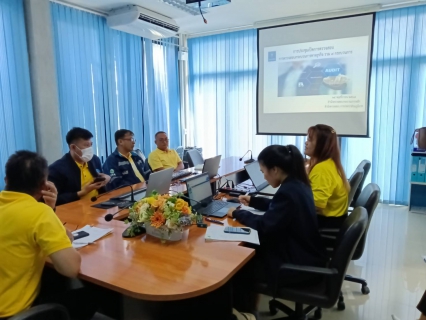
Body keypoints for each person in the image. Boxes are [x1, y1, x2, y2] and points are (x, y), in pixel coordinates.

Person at [227, 145, 327, 315]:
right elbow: (279, 208)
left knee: (239, 265)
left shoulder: (288, 191)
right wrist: (253, 201)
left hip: (294, 265)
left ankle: (245, 313)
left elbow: (265, 225)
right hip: (308, 254)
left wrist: (238, 213)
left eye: (263, 171)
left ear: (275, 169)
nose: (263, 176)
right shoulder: (298, 184)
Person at [0, 150, 91, 319]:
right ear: (44, 185)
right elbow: (70, 268)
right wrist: (46, 211)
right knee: (93, 295)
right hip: (13, 314)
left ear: (6, 180)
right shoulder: (38, 213)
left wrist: (50, 210)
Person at [49, 127, 110, 205]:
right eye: (86, 145)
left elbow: (100, 182)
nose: (90, 149)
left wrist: (107, 178)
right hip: (75, 210)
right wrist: (82, 192)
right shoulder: (57, 169)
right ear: (73, 147)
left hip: (99, 204)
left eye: (91, 145)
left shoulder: (94, 159)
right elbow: (55, 199)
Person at [304, 124, 350, 229]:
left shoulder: (322, 169)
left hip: (325, 225)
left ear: (322, 145)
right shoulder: (330, 163)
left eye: (310, 140)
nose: (306, 143)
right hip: (336, 220)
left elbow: (316, 206)